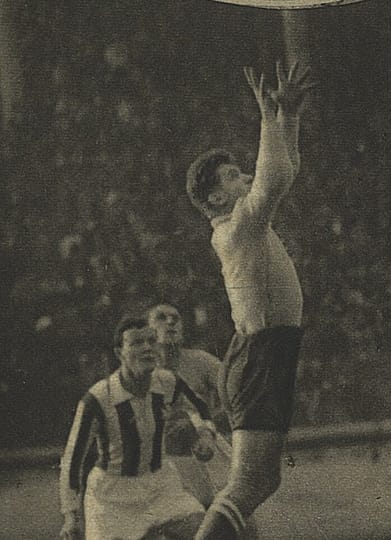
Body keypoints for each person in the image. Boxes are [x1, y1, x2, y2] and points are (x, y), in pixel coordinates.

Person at [186, 60, 315, 539]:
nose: (245, 181)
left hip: (265, 353)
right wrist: (269, 117)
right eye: (234, 177)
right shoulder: (236, 229)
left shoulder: (243, 225)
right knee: (246, 483)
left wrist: (289, 119)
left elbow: (282, 171)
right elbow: (274, 179)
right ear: (216, 200)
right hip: (260, 356)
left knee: (264, 479)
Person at [59, 317, 217, 540]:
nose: (147, 348)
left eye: (152, 341)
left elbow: (199, 408)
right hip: (112, 495)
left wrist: (205, 435)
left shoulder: (166, 381)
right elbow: (73, 458)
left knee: (205, 531)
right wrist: (70, 515)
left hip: (161, 484)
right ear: (119, 353)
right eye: (136, 343)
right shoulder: (98, 398)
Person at [147, 304, 228, 506]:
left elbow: (238, 395)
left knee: (233, 509)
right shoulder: (140, 372)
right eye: (161, 318)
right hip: (160, 454)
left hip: (204, 447)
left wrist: (208, 425)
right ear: (148, 330)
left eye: (176, 317)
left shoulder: (201, 361)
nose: (171, 321)